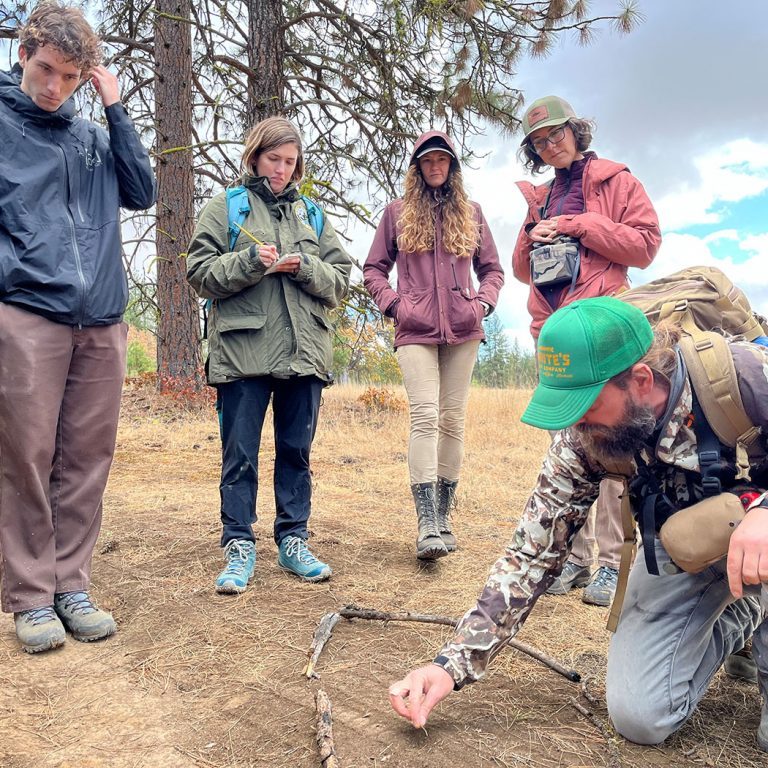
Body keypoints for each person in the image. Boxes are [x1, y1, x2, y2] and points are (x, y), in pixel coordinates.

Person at [388, 296, 768, 751]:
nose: (574, 422)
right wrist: (449, 664)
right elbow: (531, 552)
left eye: (585, 403)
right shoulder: (585, 437)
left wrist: (764, 510)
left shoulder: (747, 379)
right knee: (640, 716)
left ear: (641, 380)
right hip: (684, 548)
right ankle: (745, 611)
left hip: (760, 534)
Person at [0, 2, 155, 654]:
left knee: (88, 459)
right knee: (27, 457)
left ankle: (71, 584)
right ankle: (31, 596)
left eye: (70, 75)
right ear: (22, 56)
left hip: (101, 321)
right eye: (45, 70)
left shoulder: (93, 136)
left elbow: (142, 190)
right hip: (28, 313)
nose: (54, 86)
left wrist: (115, 108)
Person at [186, 116, 352, 593]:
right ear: (255, 156)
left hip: (305, 354)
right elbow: (198, 271)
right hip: (243, 355)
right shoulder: (228, 207)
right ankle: (238, 544)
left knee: (296, 453)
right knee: (239, 454)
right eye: (273, 159)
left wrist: (306, 268)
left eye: (289, 161)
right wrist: (247, 262)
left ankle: (293, 539)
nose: (281, 169)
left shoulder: (313, 216)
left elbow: (340, 279)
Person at [512, 95, 662, 607]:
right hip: (555, 334)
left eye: (556, 133)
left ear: (575, 130)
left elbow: (645, 245)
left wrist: (576, 225)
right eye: (538, 141)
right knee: (568, 445)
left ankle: (611, 562)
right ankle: (573, 560)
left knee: (613, 441)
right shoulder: (540, 196)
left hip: (602, 327)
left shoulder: (617, 180)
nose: (550, 145)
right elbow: (520, 271)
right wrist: (533, 234)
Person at [364, 131, 504, 560]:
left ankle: (444, 518)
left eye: (443, 160)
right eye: (428, 161)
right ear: (418, 167)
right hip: (415, 330)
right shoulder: (398, 214)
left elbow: (493, 270)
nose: (436, 166)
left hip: (463, 330)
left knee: (453, 419)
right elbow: (373, 269)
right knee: (425, 416)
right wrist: (395, 306)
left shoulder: (472, 213)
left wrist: (482, 304)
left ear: (453, 166)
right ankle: (425, 522)